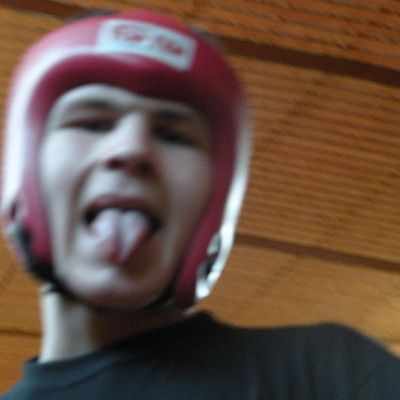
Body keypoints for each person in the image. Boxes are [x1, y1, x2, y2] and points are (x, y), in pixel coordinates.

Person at [1, 9, 400, 400]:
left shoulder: (326, 372)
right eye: (92, 122)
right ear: (26, 169)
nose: (132, 148)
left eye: (174, 135)